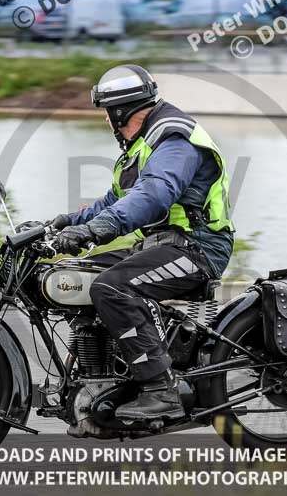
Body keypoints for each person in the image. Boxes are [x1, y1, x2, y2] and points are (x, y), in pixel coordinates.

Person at [49, 65, 235, 421]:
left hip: (197, 248)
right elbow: (111, 203)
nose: (106, 122)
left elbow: (153, 196)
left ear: (120, 112)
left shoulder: (174, 139)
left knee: (112, 288)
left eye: (107, 113)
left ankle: (160, 390)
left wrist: (95, 231)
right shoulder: (144, 146)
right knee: (76, 275)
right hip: (159, 246)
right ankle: (108, 374)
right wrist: (60, 225)